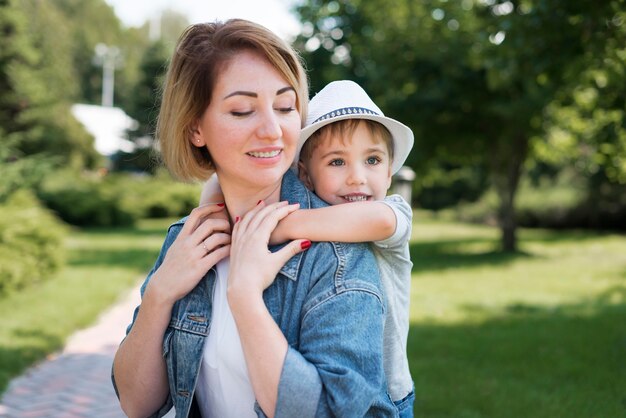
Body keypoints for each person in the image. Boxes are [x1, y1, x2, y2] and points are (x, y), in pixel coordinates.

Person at [112, 20, 397, 418]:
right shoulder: (188, 241)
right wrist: (160, 293)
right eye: (243, 110)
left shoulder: (334, 253)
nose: (273, 130)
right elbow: (136, 405)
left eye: (285, 107)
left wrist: (245, 297)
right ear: (196, 128)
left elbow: (333, 412)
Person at [203, 80, 416, 416]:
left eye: (372, 160)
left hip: (389, 396)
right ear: (304, 175)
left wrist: (276, 226)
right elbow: (219, 179)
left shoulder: (392, 211)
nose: (358, 177)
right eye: (336, 162)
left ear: (390, 172)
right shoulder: (317, 228)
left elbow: (378, 221)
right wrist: (210, 212)